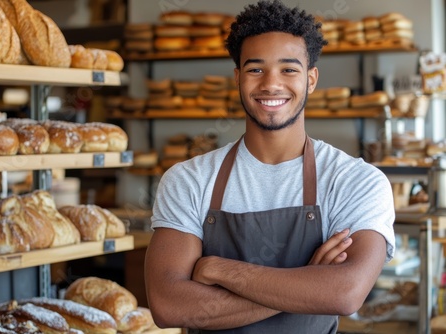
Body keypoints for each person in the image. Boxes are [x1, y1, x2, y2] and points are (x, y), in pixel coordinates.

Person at [144, 1, 396, 333]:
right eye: (255, 69)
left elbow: (345, 293)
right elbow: (168, 306)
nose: (270, 84)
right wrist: (308, 281)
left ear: (311, 79)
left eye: (289, 69)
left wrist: (220, 270)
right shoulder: (188, 180)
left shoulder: (356, 181)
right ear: (238, 78)